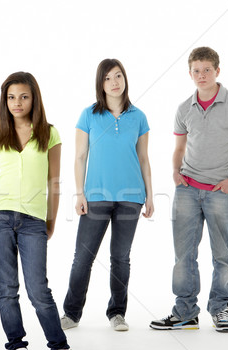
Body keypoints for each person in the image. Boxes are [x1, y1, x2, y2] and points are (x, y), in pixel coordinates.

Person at [150, 47, 228, 332]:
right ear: (190, 73)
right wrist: (175, 173)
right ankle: (185, 312)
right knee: (183, 255)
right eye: (196, 71)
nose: (201, 76)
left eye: (207, 70)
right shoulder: (183, 108)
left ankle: (220, 308)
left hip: (221, 192)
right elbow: (179, 148)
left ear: (217, 71)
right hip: (187, 189)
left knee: (222, 254)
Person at [0, 72, 82, 350]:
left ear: (34, 98)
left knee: (39, 289)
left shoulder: (49, 133)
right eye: (11, 97)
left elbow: (54, 182)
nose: (17, 103)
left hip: (33, 220)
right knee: (7, 290)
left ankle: (60, 349)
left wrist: (49, 220)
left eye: (23, 96)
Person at [60, 59, 153, 332]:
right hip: (96, 196)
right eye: (108, 78)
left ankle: (117, 313)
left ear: (125, 79)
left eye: (118, 76)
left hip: (131, 196)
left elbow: (144, 159)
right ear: (100, 84)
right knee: (83, 257)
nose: (114, 82)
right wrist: (80, 193)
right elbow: (79, 157)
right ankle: (71, 314)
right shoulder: (88, 115)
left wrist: (149, 195)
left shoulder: (139, 116)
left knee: (120, 257)